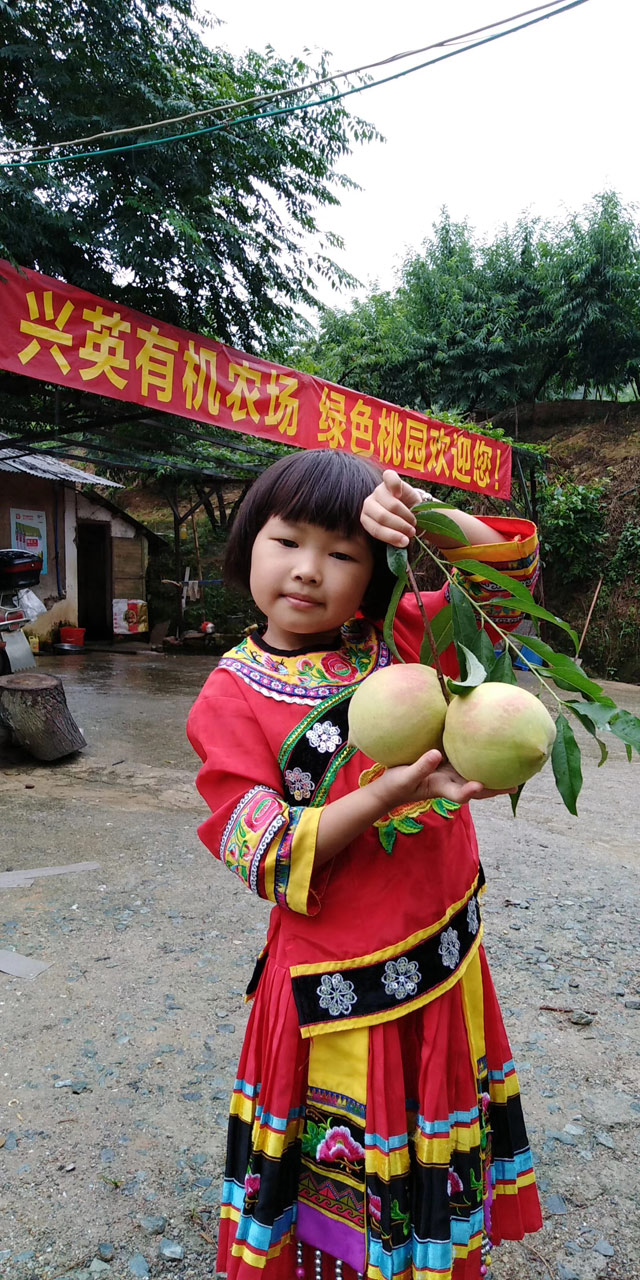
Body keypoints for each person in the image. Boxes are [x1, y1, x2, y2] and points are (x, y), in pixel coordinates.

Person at [187, 449, 542, 1280]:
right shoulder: (231, 695)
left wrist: (427, 519)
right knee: (340, 1161)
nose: (309, 572)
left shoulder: (408, 635)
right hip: (333, 983)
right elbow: (263, 846)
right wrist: (385, 797)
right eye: (287, 542)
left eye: (344, 554)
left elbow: (503, 587)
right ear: (247, 547)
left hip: (444, 952)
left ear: (375, 572)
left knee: (428, 1134)